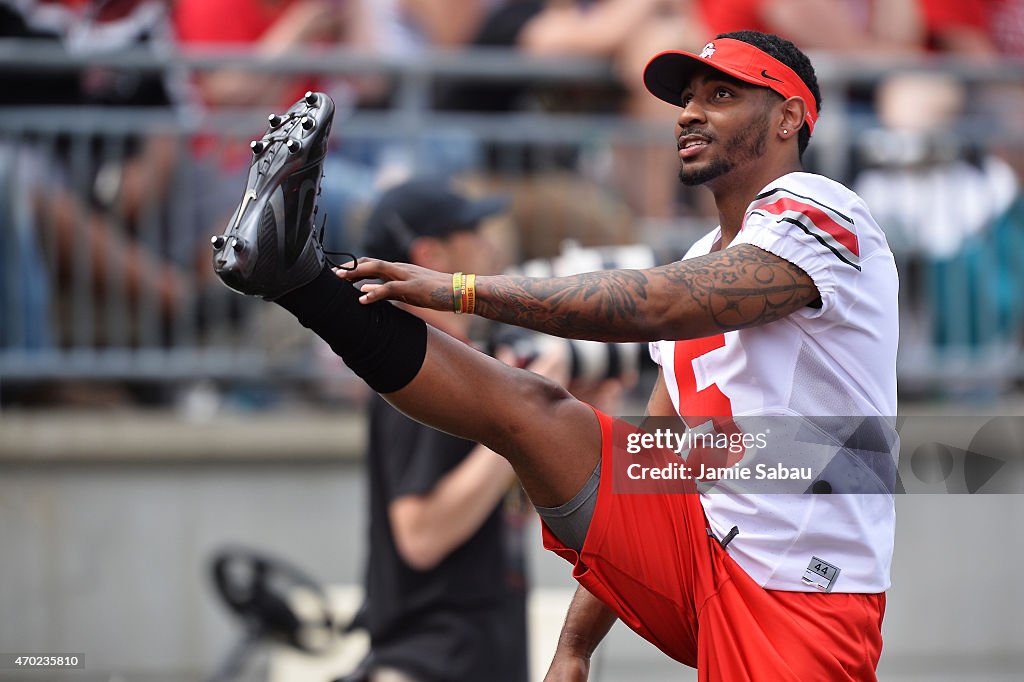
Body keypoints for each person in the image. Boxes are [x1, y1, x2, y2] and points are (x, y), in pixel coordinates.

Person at [212, 30, 898, 681]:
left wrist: (462, 292)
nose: (688, 114)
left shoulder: (821, 208)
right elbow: (653, 466)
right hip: (704, 550)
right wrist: (573, 647)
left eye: (720, 96)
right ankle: (298, 278)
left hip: (804, 586)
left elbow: (661, 303)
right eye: (686, 98)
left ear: (788, 118)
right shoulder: (700, 254)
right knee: (533, 407)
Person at [348, 177, 539, 682]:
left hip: (477, 657)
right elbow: (421, 534)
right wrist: (520, 426)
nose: (491, 246)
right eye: (472, 231)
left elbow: (505, 505)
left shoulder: (454, 365)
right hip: (433, 660)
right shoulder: (419, 369)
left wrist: (569, 422)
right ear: (429, 253)